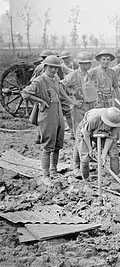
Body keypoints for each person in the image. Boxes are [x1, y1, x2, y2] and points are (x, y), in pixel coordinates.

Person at [21, 55, 76, 185]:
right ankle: (45, 174)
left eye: (56, 68)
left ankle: (54, 171)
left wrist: (72, 101)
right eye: (51, 67)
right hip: (46, 115)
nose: (53, 70)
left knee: (58, 143)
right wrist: (40, 101)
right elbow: (25, 93)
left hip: (58, 112)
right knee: (48, 145)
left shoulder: (55, 78)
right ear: (45, 67)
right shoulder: (39, 81)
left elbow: (61, 90)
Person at [73, 106, 120, 181]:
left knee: (114, 152)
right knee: (85, 156)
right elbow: (86, 134)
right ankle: (86, 179)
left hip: (103, 134)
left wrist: (103, 155)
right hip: (85, 132)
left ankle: (115, 177)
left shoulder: (116, 123)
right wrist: (90, 149)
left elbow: (110, 138)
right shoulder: (93, 119)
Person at [62, 52, 98, 142]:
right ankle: (78, 156)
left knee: (89, 133)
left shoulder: (89, 74)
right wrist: (72, 100)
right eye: (87, 63)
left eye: (90, 62)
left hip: (91, 106)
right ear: (81, 63)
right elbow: (60, 86)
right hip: (80, 107)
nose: (89, 64)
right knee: (80, 135)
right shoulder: (73, 75)